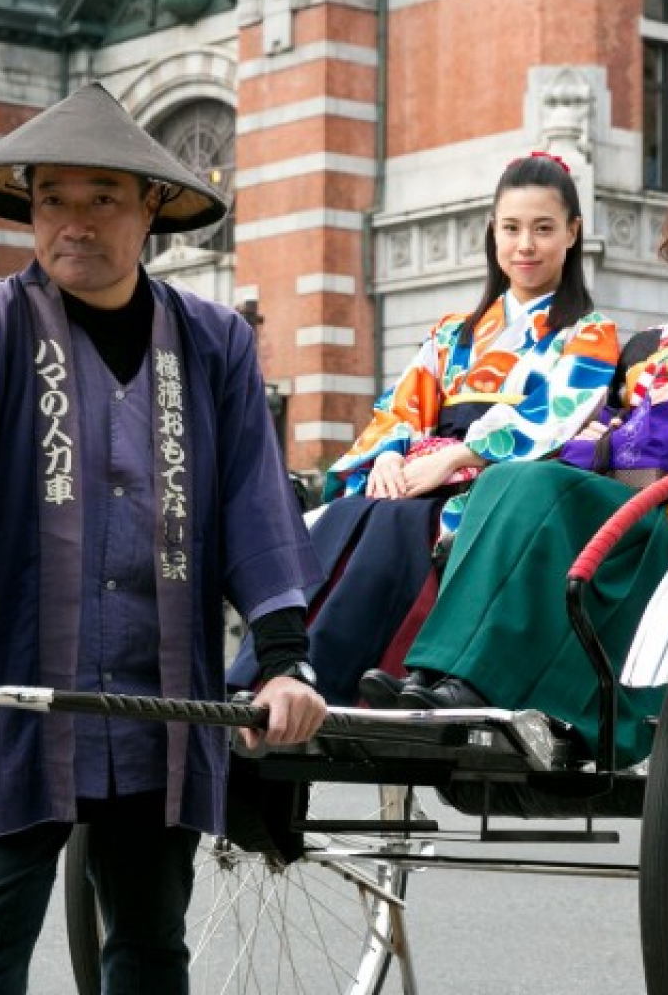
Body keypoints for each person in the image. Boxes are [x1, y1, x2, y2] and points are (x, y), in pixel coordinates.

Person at [0, 81, 326, 995]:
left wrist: (284, 661)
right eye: (53, 199)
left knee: (152, 948)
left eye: (102, 199)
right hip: (18, 698)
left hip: (163, 706)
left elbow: (255, 505)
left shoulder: (213, 344)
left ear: (152, 208)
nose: (73, 224)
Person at [388, 162, 668, 768]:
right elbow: (609, 436)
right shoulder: (650, 348)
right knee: (515, 479)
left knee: (541, 490)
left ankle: (471, 682)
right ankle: (440, 676)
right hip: (636, 496)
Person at [227, 153, 619, 707]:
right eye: (511, 228)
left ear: (573, 234)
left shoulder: (587, 332)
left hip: (499, 482)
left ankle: (348, 680)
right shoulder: (452, 334)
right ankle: (274, 672)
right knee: (348, 514)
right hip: (421, 472)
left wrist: (459, 458)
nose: (525, 244)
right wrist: (387, 454)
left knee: (397, 525)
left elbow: (556, 415)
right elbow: (400, 406)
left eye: (543, 228)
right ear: (493, 232)